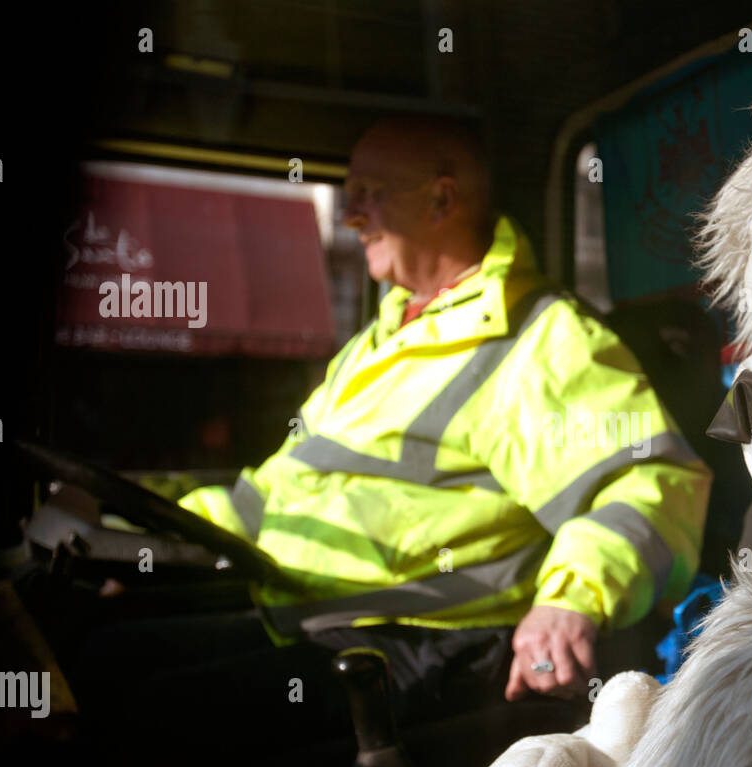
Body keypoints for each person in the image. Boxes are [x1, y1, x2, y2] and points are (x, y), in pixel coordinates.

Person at [171, 113, 712, 707]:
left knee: (157, 697)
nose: (352, 217)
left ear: (440, 199)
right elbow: (272, 492)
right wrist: (138, 536)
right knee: (108, 651)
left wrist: (568, 601)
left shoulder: (540, 339)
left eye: (368, 198)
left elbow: (650, 483)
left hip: (419, 645)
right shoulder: (379, 342)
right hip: (303, 618)